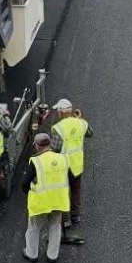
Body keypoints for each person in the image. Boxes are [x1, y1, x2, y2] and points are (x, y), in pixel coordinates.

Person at [22, 131, 70, 263]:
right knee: (55, 226)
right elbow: (68, 178)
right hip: (58, 200)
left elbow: (25, 183)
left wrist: (27, 192)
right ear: (49, 144)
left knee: (34, 228)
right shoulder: (62, 158)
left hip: (41, 202)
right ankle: (52, 256)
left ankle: (32, 254)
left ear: (37, 146)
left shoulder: (35, 161)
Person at [51, 98, 92, 229]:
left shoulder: (58, 128)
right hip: (77, 165)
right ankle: (75, 216)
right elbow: (90, 133)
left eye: (58, 111)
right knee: (76, 191)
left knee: (63, 192)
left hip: (63, 166)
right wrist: (80, 119)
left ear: (62, 112)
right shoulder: (81, 123)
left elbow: (55, 148)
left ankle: (66, 221)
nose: (57, 113)